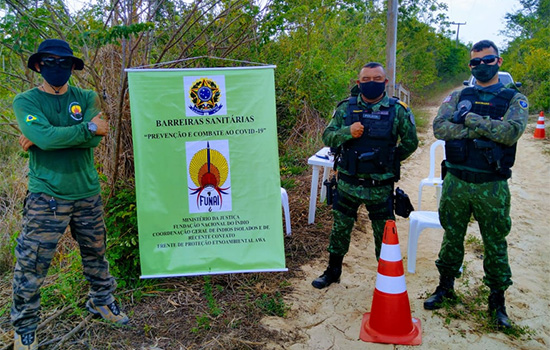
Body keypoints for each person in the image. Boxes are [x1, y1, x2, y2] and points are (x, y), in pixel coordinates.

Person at [11, 39, 129, 350]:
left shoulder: (86, 97)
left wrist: (44, 137)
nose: (58, 68)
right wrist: (83, 130)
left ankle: (101, 302)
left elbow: (87, 140)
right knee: (32, 262)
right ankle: (25, 328)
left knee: (96, 253)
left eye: (65, 63)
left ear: (72, 67)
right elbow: (49, 138)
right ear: (38, 65)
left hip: (86, 192)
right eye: (51, 62)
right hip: (46, 196)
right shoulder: (26, 101)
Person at [424, 40, 529, 329]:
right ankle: (445, 287)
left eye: (488, 60)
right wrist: (485, 128)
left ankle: (497, 301)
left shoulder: (513, 98)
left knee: (495, 243)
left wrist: (470, 118)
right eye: (475, 62)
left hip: (491, 185)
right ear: (470, 66)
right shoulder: (459, 94)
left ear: (499, 61)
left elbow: (509, 133)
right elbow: (440, 128)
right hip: (457, 180)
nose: (482, 66)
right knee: (451, 238)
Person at [312, 62, 418, 289]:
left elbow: (411, 143)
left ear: (386, 82)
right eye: (366, 80)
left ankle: (387, 280)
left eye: (377, 79)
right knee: (340, 228)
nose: (372, 83)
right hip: (348, 184)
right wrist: (347, 132)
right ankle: (333, 271)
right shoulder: (345, 109)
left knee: (384, 236)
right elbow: (328, 136)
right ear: (358, 83)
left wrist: (389, 160)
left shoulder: (398, 110)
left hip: (380, 187)